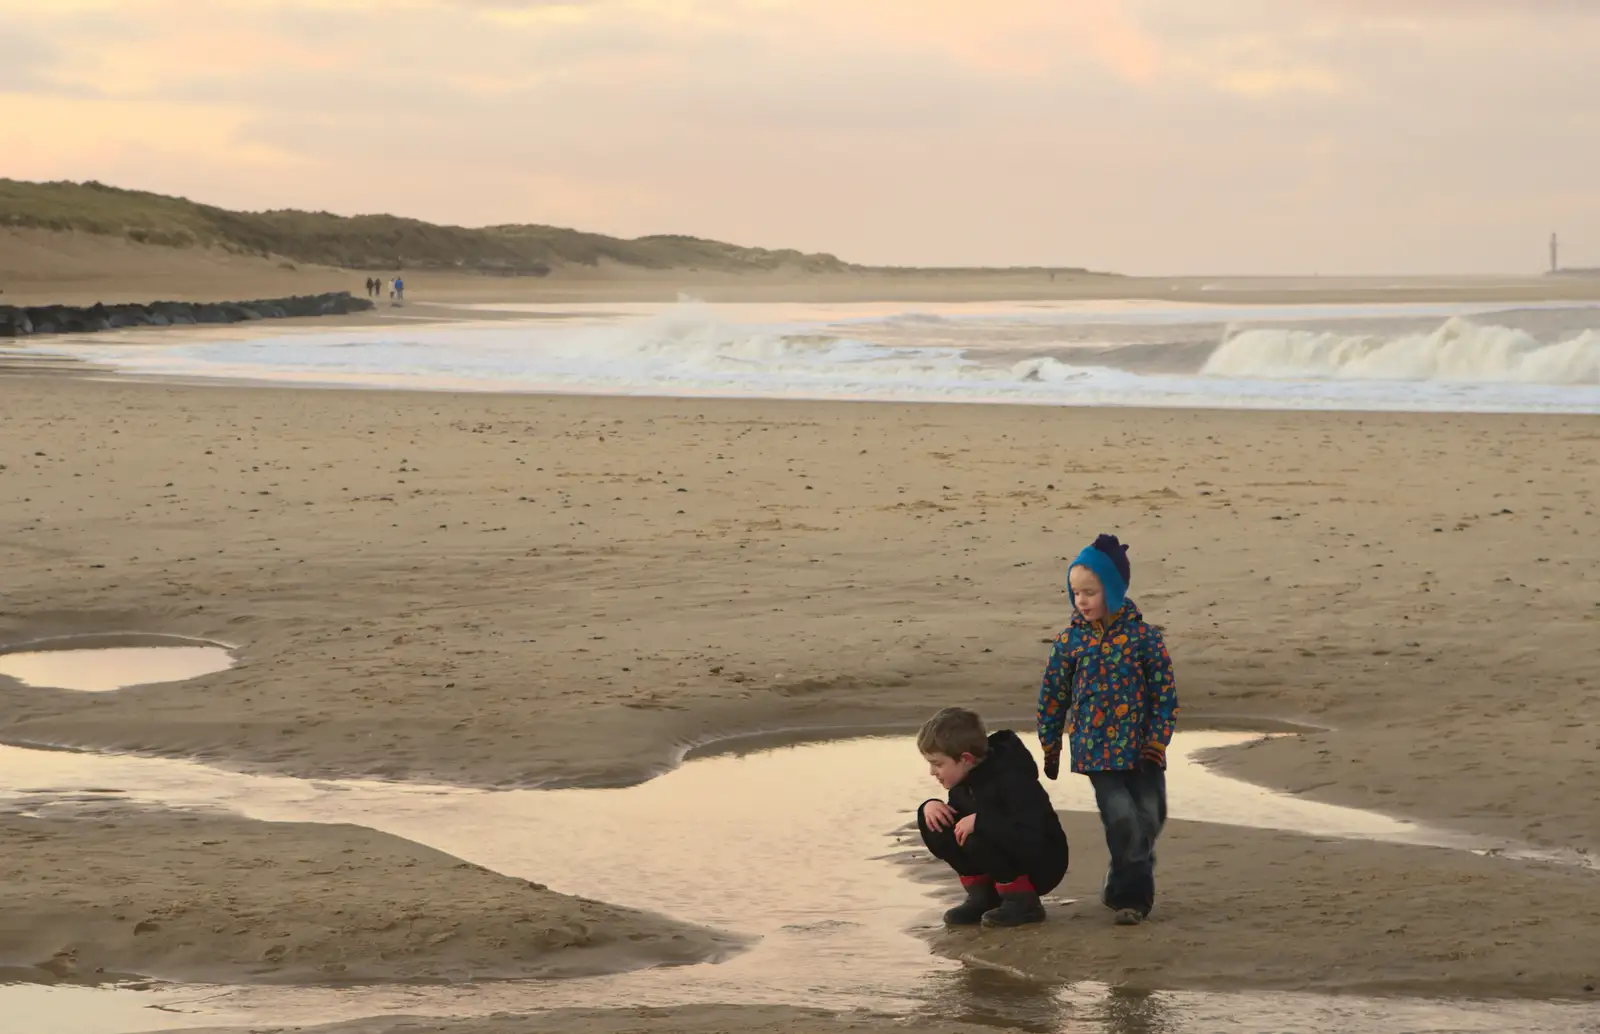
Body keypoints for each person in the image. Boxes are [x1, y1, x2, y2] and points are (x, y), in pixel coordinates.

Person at [1037, 533, 1178, 926]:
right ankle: (1133, 900)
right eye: (1075, 592)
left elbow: (1165, 695)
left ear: (1112, 590)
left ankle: (1118, 881)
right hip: (1096, 752)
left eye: (1090, 592)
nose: (1081, 600)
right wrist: (1051, 745)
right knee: (1121, 820)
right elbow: (1053, 696)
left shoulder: (1144, 638)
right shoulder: (1070, 642)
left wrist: (1156, 741)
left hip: (1143, 752)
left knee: (1149, 821)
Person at [916, 706, 1069, 928]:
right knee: (934, 818)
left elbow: (1030, 836)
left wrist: (982, 821)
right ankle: (983, 897)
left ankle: (1023, 901)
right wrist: (929, 806)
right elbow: (958, 825)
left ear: (965, 759)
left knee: (976, 832)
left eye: (938, 764)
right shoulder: (964, 781)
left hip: (1042, 863)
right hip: (1000, 852)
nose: (932, 772)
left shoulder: (1012, 778)